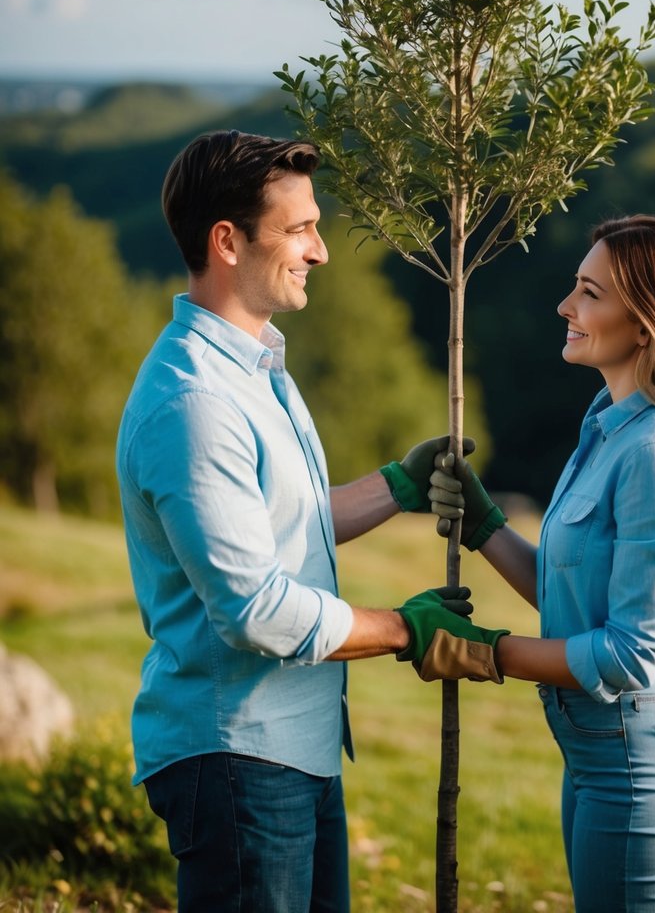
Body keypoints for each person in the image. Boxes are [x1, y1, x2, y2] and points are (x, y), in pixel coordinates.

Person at [115, 129, 481, 913]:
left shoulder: (256, 366)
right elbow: (254, 609)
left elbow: (285, 525)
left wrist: (396, 486)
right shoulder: (194, 405)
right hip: (237, 756)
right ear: (226, 241)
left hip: (292, 749)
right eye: (300, 229)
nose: (320, 250)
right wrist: (406, 629)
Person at [423, 215, 655, 913]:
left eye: (588, 292)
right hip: (595, 756)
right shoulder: (607, 425)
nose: (564, 307)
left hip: (639, 760)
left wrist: (482, 652)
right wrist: (483, 525)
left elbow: (631, 653)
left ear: (646, 325)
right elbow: (571, 595)